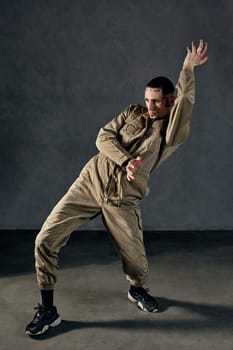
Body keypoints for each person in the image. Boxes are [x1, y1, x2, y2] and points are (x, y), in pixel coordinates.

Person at [25, 39, 208, 336]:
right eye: (147, 99)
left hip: (123, 199)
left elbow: (186, 100)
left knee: (137, 263)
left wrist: (187, 69)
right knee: (44, 239)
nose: (149, 106)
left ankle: (137, 290)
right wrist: (125, 161)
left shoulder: (172, 133)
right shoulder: (132, 112)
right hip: (90, 183)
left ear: (169, 102)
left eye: (156, 101)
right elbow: (103, 138)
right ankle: (48, 310)